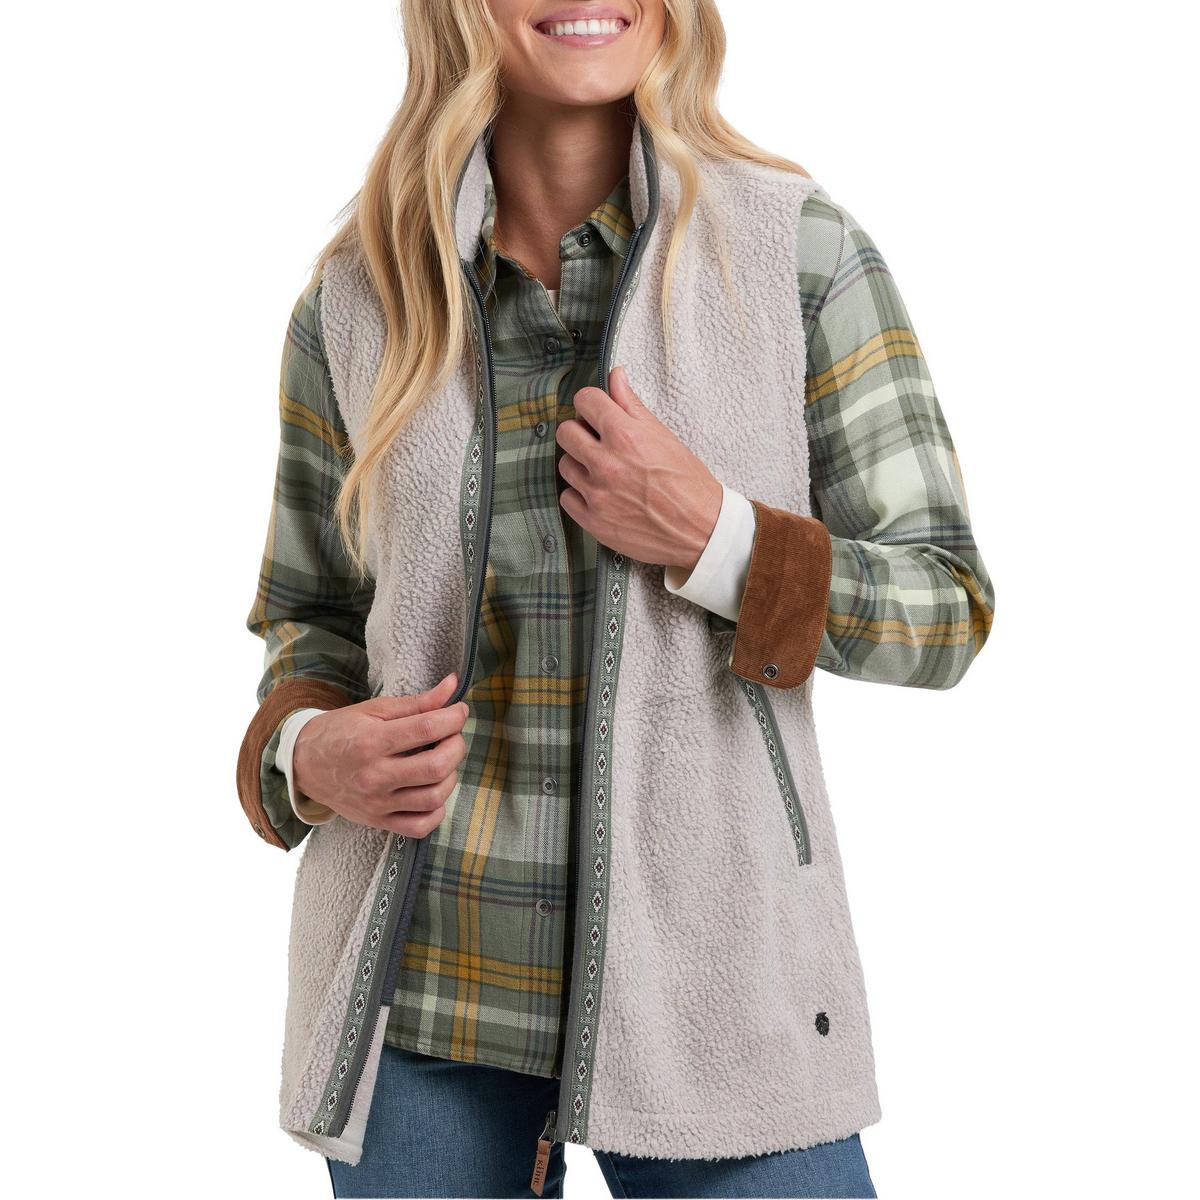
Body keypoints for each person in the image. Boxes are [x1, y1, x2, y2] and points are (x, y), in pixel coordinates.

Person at [236, 2, 995, 1196]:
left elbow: (944, 605)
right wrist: (304, 754)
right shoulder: (361, 297)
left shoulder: (796, 254)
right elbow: (310, 618)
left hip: (717, 983)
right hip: (427, 1000)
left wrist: (722, 538)